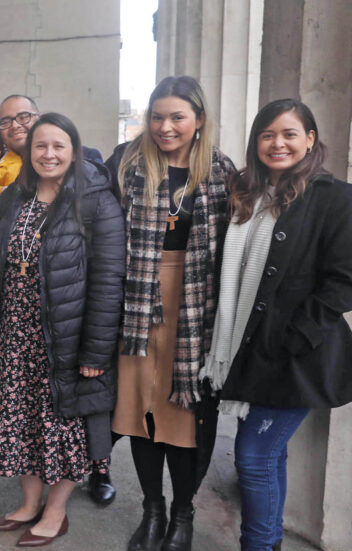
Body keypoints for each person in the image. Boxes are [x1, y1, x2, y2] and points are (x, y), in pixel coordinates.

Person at [0, 113, 125, 548]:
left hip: (65, 342)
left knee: (62, 430)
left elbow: (109, 283)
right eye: (40, 147)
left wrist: (95, 353)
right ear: (28, 154)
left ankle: (56, 511)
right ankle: (30, 503)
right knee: (21, 425)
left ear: (73, 150)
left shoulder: (96, 203)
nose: (49, 154)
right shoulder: (15, 197)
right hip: (12, 337)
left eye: (58, 146)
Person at [202, 99, 352, 551]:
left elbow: (343, 279)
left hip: (294, 357)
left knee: (253, 457)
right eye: (267, 135)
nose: (278, 143)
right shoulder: (245, 193)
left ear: (310, 139)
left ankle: (259, 546)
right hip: (247, 349)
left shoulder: (334, 198)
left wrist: (296, 335)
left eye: (289, 134)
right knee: (267, 456)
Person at [108, 76, 235, 551]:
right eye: (157, 116)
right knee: (140, 412)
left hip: (196, 305)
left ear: (199, 120)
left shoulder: (222, 172)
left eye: (177, 117)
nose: (165, 126)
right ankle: (153, 509)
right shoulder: (126, 163)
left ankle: (184, 512)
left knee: (184, 417)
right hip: (137, 302)